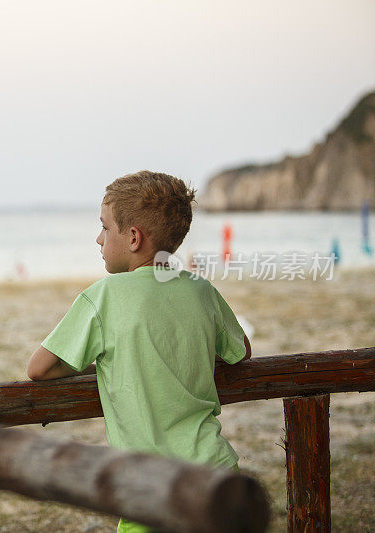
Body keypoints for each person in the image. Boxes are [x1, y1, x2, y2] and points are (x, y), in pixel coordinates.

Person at [26, 171, 251, 533]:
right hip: (216, 474)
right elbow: (241, 351)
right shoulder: (201, 291)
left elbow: (39, 368)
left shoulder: (105, 296)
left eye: (104, 227)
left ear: (132, 238)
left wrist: (103, 359)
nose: (98, 239)